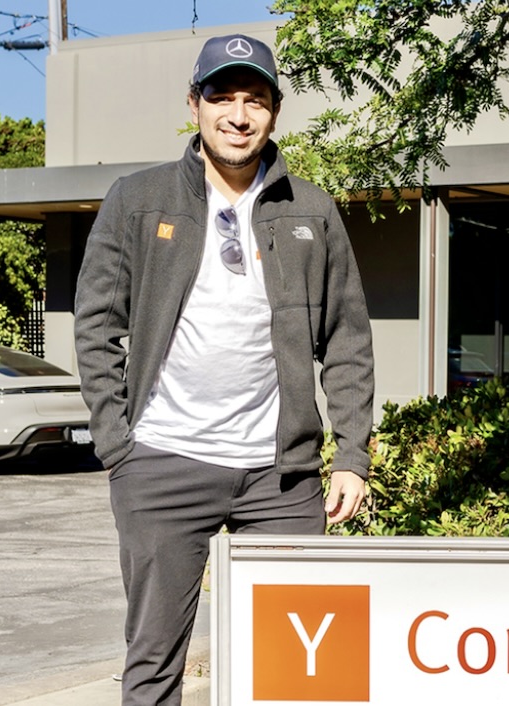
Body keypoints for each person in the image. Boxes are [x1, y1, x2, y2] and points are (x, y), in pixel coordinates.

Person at [74, 34, 374, 705]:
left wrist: (351, 454)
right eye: (223, 97)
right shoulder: (137, 199)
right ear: (195, 104)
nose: (239, 116)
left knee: (300, 667)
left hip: (281, 477)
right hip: (162, 463)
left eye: (255, 100)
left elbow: (348, 337)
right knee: (155, 663)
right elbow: (96, 326)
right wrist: (119, 446)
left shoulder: (311, 210)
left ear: (274, 112)